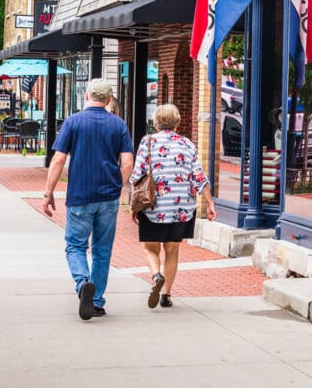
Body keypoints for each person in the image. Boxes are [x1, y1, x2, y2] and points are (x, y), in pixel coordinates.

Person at [43, 79, 134, 321]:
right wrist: (117, 185)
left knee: (75, 245)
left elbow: (58, 160)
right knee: (102, 251)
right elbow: (127, 162)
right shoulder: (119, 125)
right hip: (108, 196)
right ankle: (97, 300)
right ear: (108, 99)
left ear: (86, 96)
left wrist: (48, 192)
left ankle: (83, 282)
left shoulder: (73, 122)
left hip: (80, 195)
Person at [129, 104, 215, 310]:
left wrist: (133, 205)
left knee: (150, 248)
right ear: (177, 123)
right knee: (172, 250)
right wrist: (210, 203)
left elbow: (137, 175)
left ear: (156, 122)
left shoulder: (147, 142)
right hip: (181, 207)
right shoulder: (187, 144)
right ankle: (166, 294)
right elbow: (199, 177)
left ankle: (156, 275)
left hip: (153, 206)